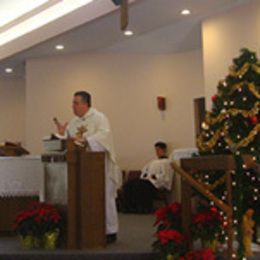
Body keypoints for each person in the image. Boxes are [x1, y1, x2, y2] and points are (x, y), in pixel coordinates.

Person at [54, 91, 121, 243]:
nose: (73, 106)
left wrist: (85, 140)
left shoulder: (99, 118)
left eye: (75, 103)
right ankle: (85, 228)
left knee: (105, 197)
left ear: (85, 104)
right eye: (72, 103)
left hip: (99, 166)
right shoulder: (74, 122)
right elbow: (71, 143)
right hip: (80, 168)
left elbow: (104, 137)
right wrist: (63, 135)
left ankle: (110, 231)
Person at [122, 142, 173, 213]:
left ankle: (143, 208)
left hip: (156, 184)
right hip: (148, 180)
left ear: (164, 150)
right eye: (156, 150)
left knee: (140, 185)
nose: (157, 152)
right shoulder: (153, 161)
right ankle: (130, 208)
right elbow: (144, 171)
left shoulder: (167, 162)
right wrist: (146, 175)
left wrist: (154, 177)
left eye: (158, 150)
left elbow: (166, 176)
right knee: (129, 184)